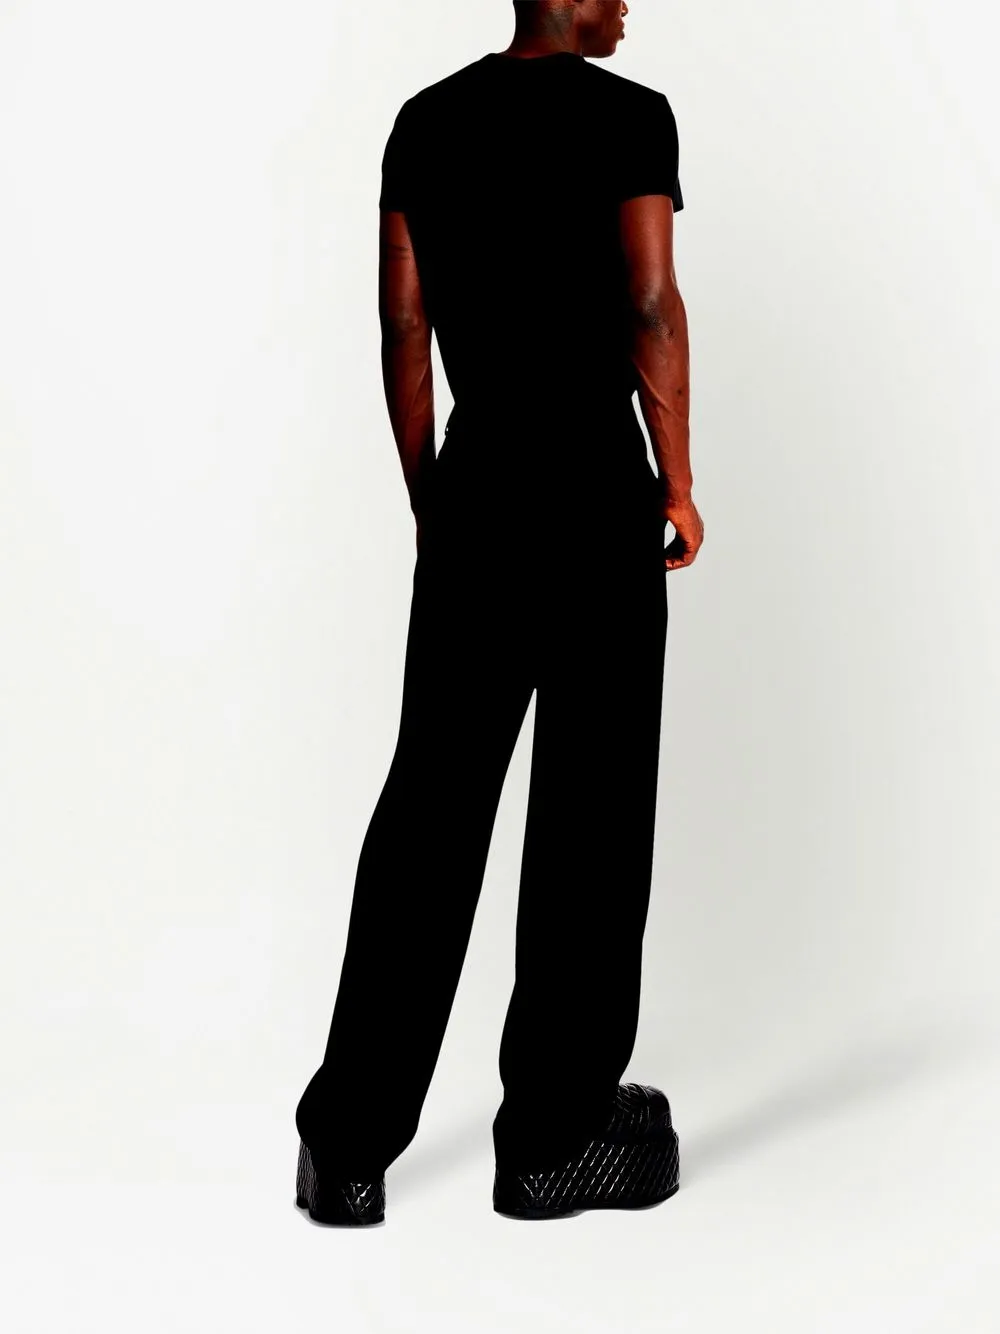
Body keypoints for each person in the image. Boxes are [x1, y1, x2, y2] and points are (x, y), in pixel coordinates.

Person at [294, 0, 704, 1226]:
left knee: (429, 807)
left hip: (477, 491)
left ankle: (346, 1148)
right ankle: (552, 1140)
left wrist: (435, 494)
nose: (627, 4)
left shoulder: (424, 123)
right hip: (592, 492)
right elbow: (649, 302)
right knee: (591, 806)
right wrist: (677, 480)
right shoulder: (630, 120)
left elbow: (403, 320)